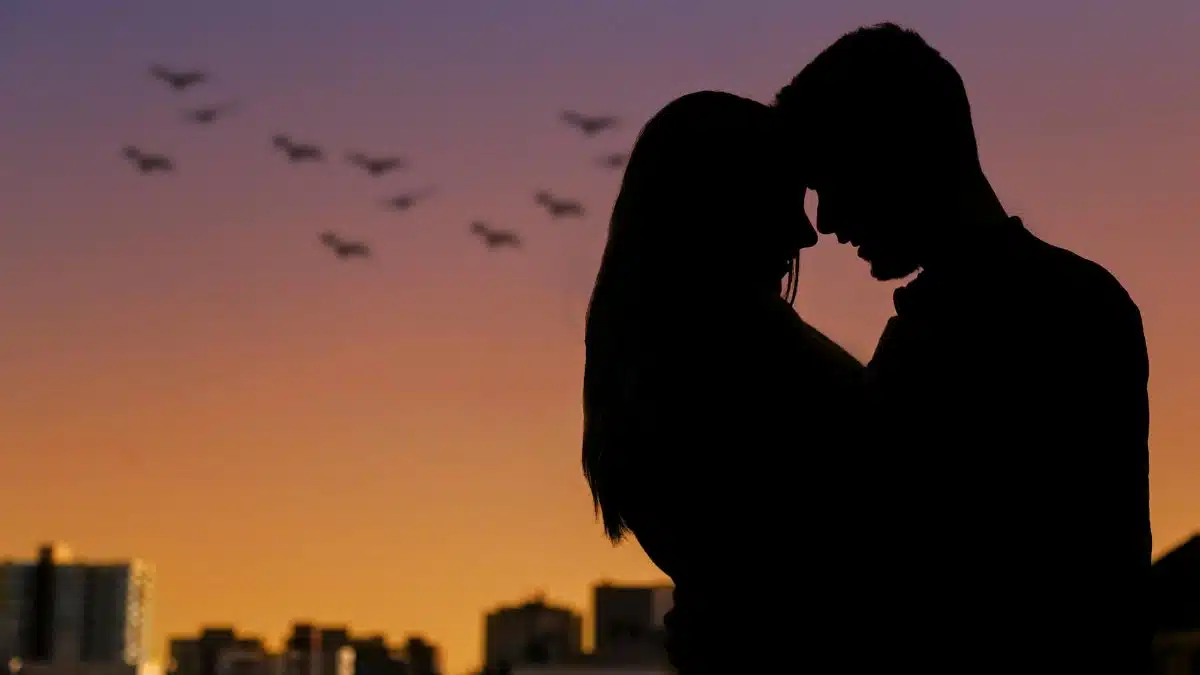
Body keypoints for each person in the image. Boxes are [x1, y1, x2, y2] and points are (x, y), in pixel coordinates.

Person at [774, 23, 1151, 674]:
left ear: (900, 152)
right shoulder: (1082, 300)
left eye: (834, 179)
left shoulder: (963, 337)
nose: (827, 221)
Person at [581, 90, 864, 672]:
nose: (808, 235)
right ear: (722, 206)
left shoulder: (647, 363)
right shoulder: (744, 357)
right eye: (784, 202)